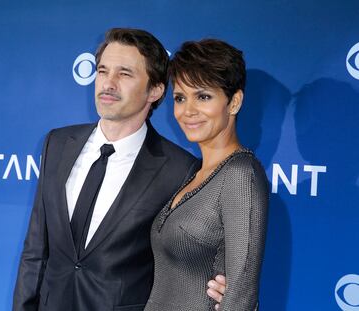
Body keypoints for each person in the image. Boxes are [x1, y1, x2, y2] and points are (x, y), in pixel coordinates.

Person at [13, 28, 226, 311]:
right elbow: (35, 250)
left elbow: (184, 268)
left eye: (124, 74)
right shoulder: (58, 144)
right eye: (102, 71)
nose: (108, 83)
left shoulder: (180, 170)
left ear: (155, 90)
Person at [144, 39, 269, 311]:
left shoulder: (240, 175)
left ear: (234, 102)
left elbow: (241, 296)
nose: (188, 110)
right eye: (180, 98)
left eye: (203, 96)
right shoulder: (195, 173)